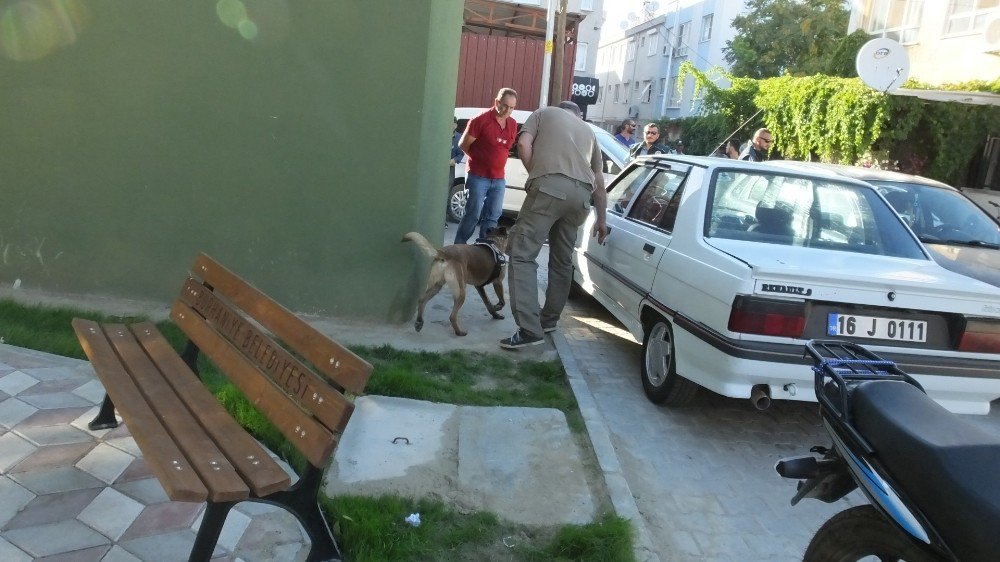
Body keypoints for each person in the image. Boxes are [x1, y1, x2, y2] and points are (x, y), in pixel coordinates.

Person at [500, 101, 609, 349]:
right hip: (581, 199)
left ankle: (529, 330)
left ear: (559, 109)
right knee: (561, 261)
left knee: (521, 254)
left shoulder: (542, 113)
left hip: (549, 188)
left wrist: (536, 174)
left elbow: (523, 143)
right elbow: (599, 179)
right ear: (577, 114)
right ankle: (548, 320)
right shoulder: (588, 130)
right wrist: (602, 219)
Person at [454, 87, 519, 244]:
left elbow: (505, 148)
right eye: (504, 105)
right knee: (473, 214)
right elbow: (463, 144)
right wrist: (480, 159)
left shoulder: (512, 124)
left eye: (511, 107)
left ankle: (484, 250)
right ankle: (459, 248)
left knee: (493, 216)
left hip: (498, 178)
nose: (507, 110)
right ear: (497, 102)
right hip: (478, 176)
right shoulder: (480, 120)